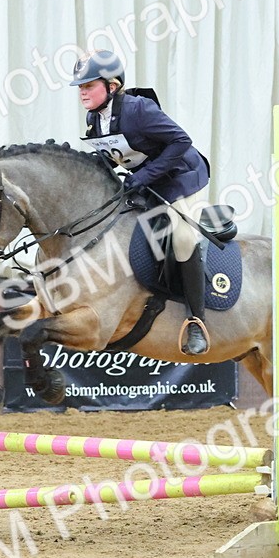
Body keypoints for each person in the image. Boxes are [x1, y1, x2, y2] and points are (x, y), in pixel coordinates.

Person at [71, 50, 211, 355]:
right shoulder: (94, 117)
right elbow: (116, 154)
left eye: (89, 85)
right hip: (147, 181)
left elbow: (181, 141)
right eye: (80, 87)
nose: (82, 92)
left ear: (112, 86)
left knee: (182, 238)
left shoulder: (139, 110)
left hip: (181, 177)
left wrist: (144, 175)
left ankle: (196, 321)